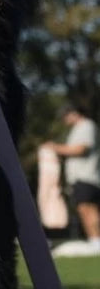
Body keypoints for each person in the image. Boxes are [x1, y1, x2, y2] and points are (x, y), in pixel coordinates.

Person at [46, 102, 100, 256]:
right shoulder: (79, 128)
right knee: (85, 209)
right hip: (81, 177)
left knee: (88, 209)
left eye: (65, 116)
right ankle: (94, 240)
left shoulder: (86, 126)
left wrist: (55, 148)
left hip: (86, 176)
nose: (64, 119)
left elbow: (81, 149)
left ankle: (96, 241)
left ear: (74, 113)